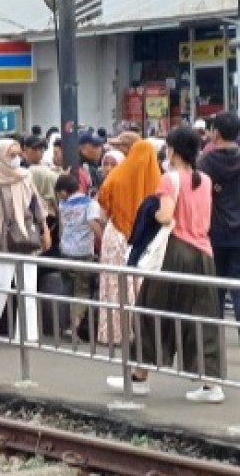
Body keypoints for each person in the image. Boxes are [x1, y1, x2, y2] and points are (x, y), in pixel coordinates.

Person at [108, 126, 225, 404]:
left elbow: (165, 216)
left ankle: (139, 376)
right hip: (203, 253)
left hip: (174, 252)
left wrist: (151, 207)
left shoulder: (169, 179)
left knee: (150, 311)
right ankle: (211, 383)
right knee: (200, 317)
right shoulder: (205, 180)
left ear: (172, 150)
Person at [0, 139, 52, 346]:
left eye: (17, 154)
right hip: (1, 240)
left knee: (28, 288)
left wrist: (45, 229)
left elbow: (37, 206)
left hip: (27, 238)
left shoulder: (26, 177)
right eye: (11, 155)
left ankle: (27, 334)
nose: (16, 159)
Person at [95, 139, 160, 345]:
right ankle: (141, 334)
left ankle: (114, 334)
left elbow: (102, 210)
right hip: (144, 236)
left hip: (116, 234)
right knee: (140, 284)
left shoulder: (117, 176)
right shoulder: (157, 180)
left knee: (114, 283)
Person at [199, 111, 240, 324]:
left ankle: (214, 341)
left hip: (214, 234)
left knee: (215, 292)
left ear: (215, 133)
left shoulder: (205, 162)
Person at [55, 173, 103, 338]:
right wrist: (103, 240)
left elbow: (62, 226)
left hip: (66, 251)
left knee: (66, 288)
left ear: (63, 192)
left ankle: (63, 325)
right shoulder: (89, 204)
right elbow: (92, 223)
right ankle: (73, 327)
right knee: (82, 290)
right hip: (83, 253)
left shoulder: (63, 204)